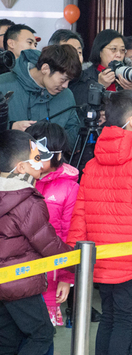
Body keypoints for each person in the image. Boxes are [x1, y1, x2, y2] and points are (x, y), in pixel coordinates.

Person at [67, 90, 132, 355]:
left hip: (97, 258)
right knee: (123, 320)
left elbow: (80, 211)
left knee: (108, 317)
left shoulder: (93, 163)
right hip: (128, 259)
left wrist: (76, 251)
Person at [0, 129, 74, 355]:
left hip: (4, 282)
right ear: (21, 167)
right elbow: (47, 243)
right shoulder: (26, 200)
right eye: (36, 157)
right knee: (42, 334)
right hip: (20, 282)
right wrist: (77, 263)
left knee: (6, 339)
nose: (42, 162)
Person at [26, 122, 78, 328]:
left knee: (42, 334)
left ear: (58, 155)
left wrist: (66, 277)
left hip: (50, 275)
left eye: (42, 154)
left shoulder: (70, 188)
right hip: (16, 272)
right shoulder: (20, 181)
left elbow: (70, 235)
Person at [0, 45, 81, 146]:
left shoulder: (66, 96)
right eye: (63, 79)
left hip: (52, 160)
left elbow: (73, 139)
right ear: (45, 68)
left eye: (70, 81)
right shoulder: (3, 84)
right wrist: (10, 126)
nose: (65, 86)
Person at [81, 29, 132, 94]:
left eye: (122, 50)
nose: (119, 55)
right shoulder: (85, 77)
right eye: (113, 49)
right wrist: (99, 86)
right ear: (100, 52)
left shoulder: (129, 75)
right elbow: (81, 101)